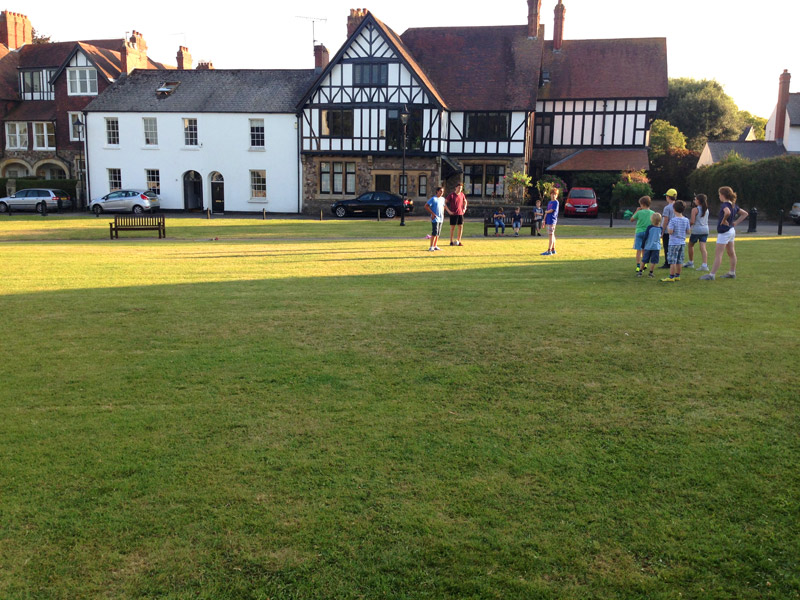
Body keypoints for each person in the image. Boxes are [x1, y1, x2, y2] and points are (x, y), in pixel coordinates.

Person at [700, 186, 749, 280]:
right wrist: (735, 223)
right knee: (731, 253)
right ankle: (732, 272)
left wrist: (723, 220)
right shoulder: (733, 205)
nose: (719, 197)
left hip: (724, 232)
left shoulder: (725, 205)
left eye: (719, 195)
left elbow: (727, 212)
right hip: (731, 231)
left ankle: (711, 275)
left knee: (718, 254)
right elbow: (745, 213)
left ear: (723, 195)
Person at [661, 200, 690, 282]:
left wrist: (667, 227)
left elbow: (670, 231)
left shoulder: (673, 220)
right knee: (679, 260)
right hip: (682, 242)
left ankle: (671, 276)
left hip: (673, 243)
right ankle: (678, 275)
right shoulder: (686, 220)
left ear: (674, 209)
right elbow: (688, 231)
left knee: (672, 261)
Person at [684, 193, 709, 272]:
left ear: (698, 201)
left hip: (697, 230)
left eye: (695, 199)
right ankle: (704, 264)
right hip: (705, 229)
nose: (694, 201)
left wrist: (687, 227)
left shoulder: (695, 209)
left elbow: (692, 221)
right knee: (703, 247)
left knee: (691, 245)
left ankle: (691, 262)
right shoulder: (706, 209)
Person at [630, 195, 654, 274]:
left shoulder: (639, 212)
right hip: (648, 232)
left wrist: (636, 211)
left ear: (642, 204)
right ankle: (645, 263)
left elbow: (632, 219)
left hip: (639, 232)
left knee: (638, 249)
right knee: (645, 249)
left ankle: (638, 265)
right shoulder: (652, 213)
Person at [640, 212, 663, 278]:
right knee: (654, 261)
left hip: (648, 246)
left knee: (644, 259)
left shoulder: (649, 227)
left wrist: (643, 245)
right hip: (656, 247)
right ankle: (651, 272)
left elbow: (645, 237)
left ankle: (640, 271)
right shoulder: (660, 228)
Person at [659, 188, 677, 269]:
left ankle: (667, 263)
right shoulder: (677, 206)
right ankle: (674, 262)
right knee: (674, 247)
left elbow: (665, 219)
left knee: (666, 247)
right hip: (675, 230)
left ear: (668, 197)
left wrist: (662, 230)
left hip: (667, 230)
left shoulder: (667, 208)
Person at [425, 186, 445, 251]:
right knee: (434, 232)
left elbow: (443, 207)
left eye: (442, 192)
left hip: (441, 218)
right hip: (435, 218)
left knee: (438, 233)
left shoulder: (443, 199)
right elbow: (426, 206)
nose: (441, 193)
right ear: (437, 191)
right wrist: (432, 214)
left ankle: (435, 245)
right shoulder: (433, 199)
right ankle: (431, 246)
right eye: (440, 191)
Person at [541, 187, 560, 256]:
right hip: (548, 220)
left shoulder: (556, 202)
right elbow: (547, 212)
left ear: (557, 195)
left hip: (552, 220)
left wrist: (546, 212)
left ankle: (549, 250)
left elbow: (551, 210)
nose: (553, 195)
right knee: (552, 234)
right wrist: (544, 220)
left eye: (555, 194)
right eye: (552, 194)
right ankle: (553, 249)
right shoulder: (549, 202)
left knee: (551, 235)